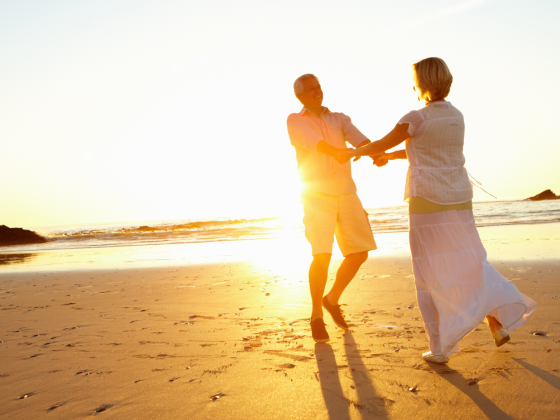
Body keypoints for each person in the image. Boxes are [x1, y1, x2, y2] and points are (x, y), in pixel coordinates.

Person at [345, 58, 536, 363]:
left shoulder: (415, 117)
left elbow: (383, 142)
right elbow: (420, 147)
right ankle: (495, 322)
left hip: (428, 200)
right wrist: (387, 157)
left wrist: (355, 150)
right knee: (471, 261)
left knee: (429, 273)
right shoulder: (456, 116)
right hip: (459, 197)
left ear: (420, 85)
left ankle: (440, 348)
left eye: (414, 80)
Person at [287, 74, 378, 343]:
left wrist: (374, 152)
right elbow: (312, 142)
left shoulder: (339, 118)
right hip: (316, 194)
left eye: (319, 86)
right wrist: (335, 152)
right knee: (322, 254)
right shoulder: (295, 120)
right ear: (301, 95)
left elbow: (359, 139)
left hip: (347, 192)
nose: (318, 91)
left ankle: (332, 298)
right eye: (312, 88)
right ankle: (316, 315)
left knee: (360, 252)